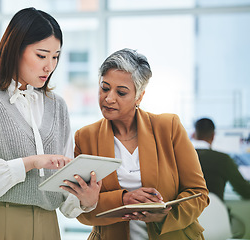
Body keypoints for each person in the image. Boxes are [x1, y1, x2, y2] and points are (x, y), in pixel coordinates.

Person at [0, 7, 101, 240]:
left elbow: (64, 195)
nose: (49, 66)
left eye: (56, 56)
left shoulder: (58, 107)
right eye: (41, 55)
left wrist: (85, 199)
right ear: (15, 49)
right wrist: (29, 163)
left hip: (49, 228)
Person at [73, 48, 209, 240]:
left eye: (121, 92)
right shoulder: (85, 137)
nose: (109, 98)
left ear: (139, 97)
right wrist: (123, 200)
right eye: (104, 88)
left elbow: (199, 194)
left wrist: (165, 214)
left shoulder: (169, 127)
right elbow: (81, 211)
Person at [192, 117, 250, 238]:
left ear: (194, 134)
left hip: (186, 221)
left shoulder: (178, 158)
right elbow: (245, 191)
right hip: (217, 220)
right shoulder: (223, 159)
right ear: (213, 136)